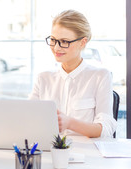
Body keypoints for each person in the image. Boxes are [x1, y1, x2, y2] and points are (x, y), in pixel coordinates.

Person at [29, 10, 116, 138]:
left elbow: (106, 130)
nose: (56, 48)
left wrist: (70, 123)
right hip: (50, 152)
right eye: (53, 40)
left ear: (82, 42)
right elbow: (27, 118)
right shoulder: (43, 78)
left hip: (86, 153)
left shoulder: (100, 76)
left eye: (64, 42)